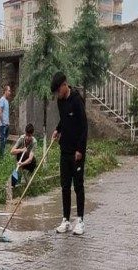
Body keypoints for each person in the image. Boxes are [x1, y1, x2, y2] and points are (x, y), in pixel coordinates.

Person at [51, 71, 88, 236]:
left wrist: (80, 149)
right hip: (64, 150)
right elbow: (64, 119)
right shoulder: (60, 101)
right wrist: (57, 130)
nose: (57, 94)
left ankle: (79, 220)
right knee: (65, 187)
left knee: (78, 186)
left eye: (58, 90)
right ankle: (66, 220)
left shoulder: (77, 100)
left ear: (65, 85)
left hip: (77, 152)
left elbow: (84, 126)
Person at [9, 123, 37, 187]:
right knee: (19, 154)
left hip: (30, 162)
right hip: (22, 159)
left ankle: (29, 173)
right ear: (25, 133)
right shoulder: (21, 139)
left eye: (29, 136)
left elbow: (30, 159)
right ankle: (23, 174)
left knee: (33, 161)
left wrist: (22, 164)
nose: (27, 137)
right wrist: (21, 150)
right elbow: (11, 152)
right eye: (26, 135)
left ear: (32, 135)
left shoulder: (34, 142)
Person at [0, 84, 11, 159]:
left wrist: (8, 124)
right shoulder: (2, 99)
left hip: (6, 124)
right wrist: (3, 123)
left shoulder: (6, 101)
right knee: (2, 142)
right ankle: (1, 158)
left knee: (5, 142)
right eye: (9, 91)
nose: (10, 92)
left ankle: (3, 156)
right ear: (5, 91)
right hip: (3, 125)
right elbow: (0, 112)